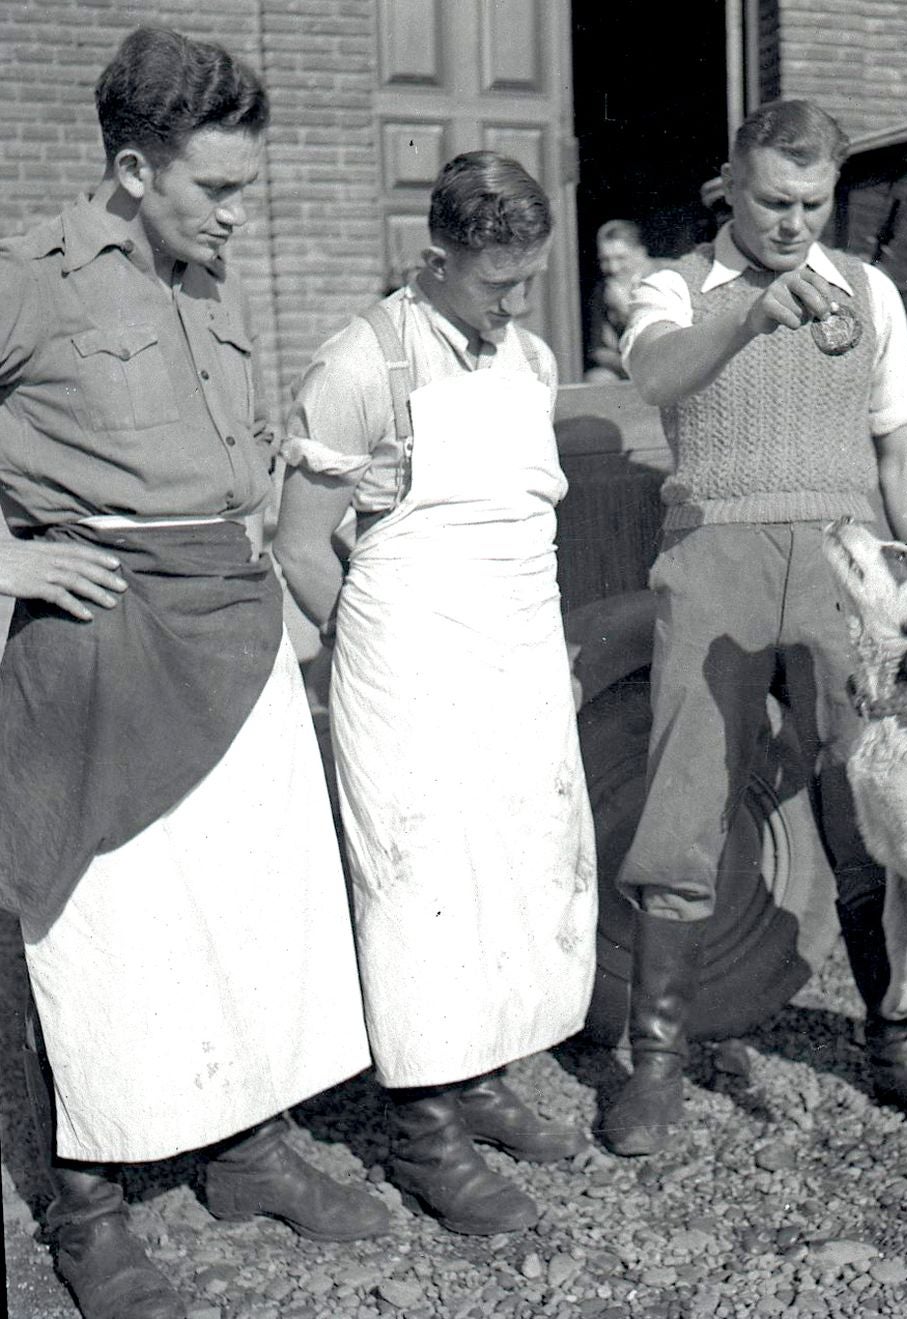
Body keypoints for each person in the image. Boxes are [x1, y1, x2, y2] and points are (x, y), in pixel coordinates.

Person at [0, 27, 388, 1319]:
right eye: (214, 189)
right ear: (127, 167)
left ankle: (248, 1145)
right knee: (98, 930)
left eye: (245, 187)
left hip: (234, 621)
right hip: (108, 638)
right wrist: (5, 563)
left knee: (251, 909)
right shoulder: (33, 278)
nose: (236, 214)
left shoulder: (211, 278)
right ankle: (86, 1205)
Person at [599, 99, 907, 1156]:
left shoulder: (871, 292)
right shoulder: (675, 286)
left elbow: (900, 452)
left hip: (839, 572)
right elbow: (656, 374)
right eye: (772, 201)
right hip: (713, 563)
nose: (792, 223)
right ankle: (658, 1064)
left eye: (812, 204)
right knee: (683, 797)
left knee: (864, 811)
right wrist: (748, 312)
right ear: (730, 182)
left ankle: (904, 1048)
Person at [274, 151, 598, 1236]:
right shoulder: (363, 367)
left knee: (511, 868)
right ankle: (425, 1132)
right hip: (408, 662)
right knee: (419, 888)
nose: (515, 305)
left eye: (528, 279)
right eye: (494, 283)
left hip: (514, 652)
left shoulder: (534, 360)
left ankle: (482, 1073)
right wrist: (385, 652)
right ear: (435, 259)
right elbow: (302, 547)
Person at [584, 218, 653, 382]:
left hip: (663, 365)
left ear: (640, 253)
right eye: (605, 260)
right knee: (597, 379)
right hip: (628, 367)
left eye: (621, 258)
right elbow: (598, 350)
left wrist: (623, 309)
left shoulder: (661, 278)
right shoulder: (604, 289)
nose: (613, 268)